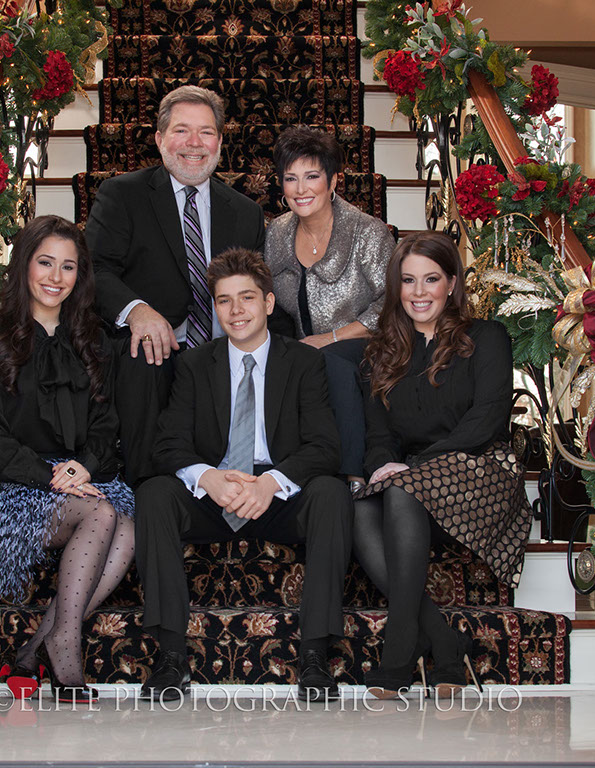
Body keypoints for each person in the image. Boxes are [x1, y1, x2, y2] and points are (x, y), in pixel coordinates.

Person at [133, 248, 352, 703]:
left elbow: (324, 447)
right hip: (216, 493)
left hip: (279, 495)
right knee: (155, 493)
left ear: (268, 303)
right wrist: (208, 477)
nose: (236, 310)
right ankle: (171, 657)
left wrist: (272, 483)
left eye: (247, 298)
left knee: (331, 493)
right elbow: (168, 445)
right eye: (224, 300)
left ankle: (314, 656)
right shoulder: (194, 364)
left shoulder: (304, 362)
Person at [0, 215, 135, 703]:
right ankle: (64, 644)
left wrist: (86, 466)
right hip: (13, 483)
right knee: (103, 514)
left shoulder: (95, 341)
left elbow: (106, 424)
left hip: (80, 476)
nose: (56, 277)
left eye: (68, 267)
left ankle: (34, 649)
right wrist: (51, 475)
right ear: (24, 265)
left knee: (128, 526)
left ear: (81, 275)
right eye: (45, 263)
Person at [353, 231, 531, 699]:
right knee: (359, 509)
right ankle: (444, 641)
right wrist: (383, 466)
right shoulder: (381, 353)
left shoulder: (486, 337)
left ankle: (398, 651)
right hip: (414, 486)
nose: (419, 292)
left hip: (481, 471)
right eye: (408, 280)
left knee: (402, 490)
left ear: (451, 283)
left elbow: (486, 421)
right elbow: (379, 437)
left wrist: (413, 469)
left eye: (431, 279)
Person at [86, 85, 267, 487]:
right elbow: (95, 268)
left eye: (206, 132)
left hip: (224, 344)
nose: (194, 143)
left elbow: (256, 288)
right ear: (159, 139)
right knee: (144, 356)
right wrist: (137, 311)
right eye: (182, 130)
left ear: (219, 142)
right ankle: (149, 492)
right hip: (156, 345)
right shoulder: (123, 194)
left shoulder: (245, 212)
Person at [264, 126, 394, 489]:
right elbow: (270, 300)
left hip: (369, 343)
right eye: (290, 178)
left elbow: (391, 303)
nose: (300, 189)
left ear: (333, 180)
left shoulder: (367, 232)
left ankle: (353, 476)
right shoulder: (277, 233)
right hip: (306, 347)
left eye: (311, 176)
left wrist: (331, 338)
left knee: (331, 361)